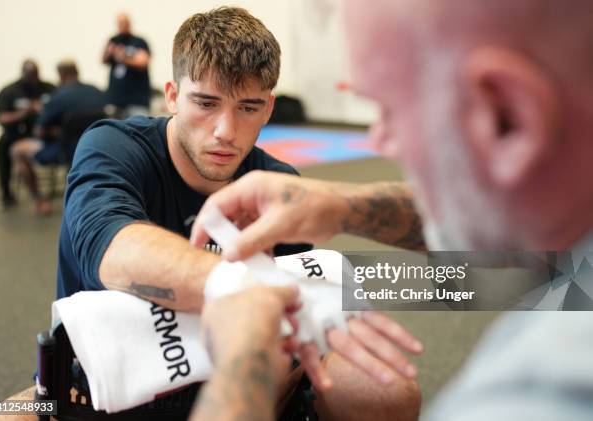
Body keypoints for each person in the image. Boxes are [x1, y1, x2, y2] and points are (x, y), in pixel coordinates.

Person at [190, 0, 593, 419]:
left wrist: (246, 359)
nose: (379, 141)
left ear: (509, 117)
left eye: (389, 109)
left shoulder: (540, 396)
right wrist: (340, 206)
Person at [57, 7, 420, 421]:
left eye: (247, 108)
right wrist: (234, 285)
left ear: (268, 109)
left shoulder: (278, 183)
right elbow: (111, 246)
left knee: (386, 392)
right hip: (98, 381)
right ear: (173, 96)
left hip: (237, 368)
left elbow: (287, 337)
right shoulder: (113, 147)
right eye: (206, 103)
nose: (225, 131)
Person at [10, 59, 106, 215]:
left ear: (60, 76)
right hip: (98, 147)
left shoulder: (59, 97)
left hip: (65, 151)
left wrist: (55, 131)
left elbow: (39, 132)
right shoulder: (96, 91)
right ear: (77, 72)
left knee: (17, 150)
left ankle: (41, 201)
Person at [0, 60, 54, 209]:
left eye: (35, 75)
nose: (33, 79)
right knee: (3, 145)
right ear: (23, 74)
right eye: (30, 75)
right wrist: (26, 112)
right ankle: (6, 191)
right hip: (16, 133)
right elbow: (2, 118)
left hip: (43, 134)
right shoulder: (9, 91)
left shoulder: (48, 88)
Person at [102, 13, 151, 118]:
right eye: (119, 23)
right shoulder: (113, 40)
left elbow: (143, 61)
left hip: (136, 100)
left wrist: (123, 57)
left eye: (124, 22)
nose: (121, 25)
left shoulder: (139, 41)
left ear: (129, 23)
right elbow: (103, 60)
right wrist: (109, 51)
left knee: (140, 129)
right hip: (115, 100)